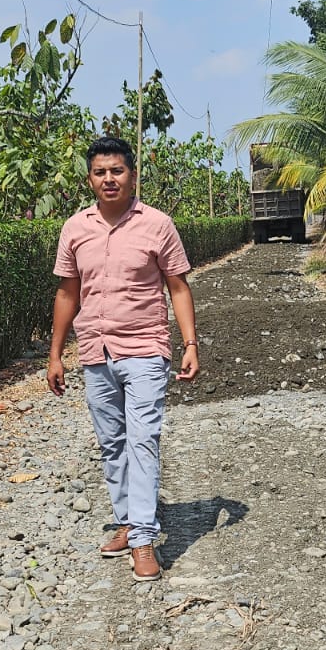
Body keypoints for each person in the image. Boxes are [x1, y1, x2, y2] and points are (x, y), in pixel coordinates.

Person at [47, 136, 199, 581]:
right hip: (95, 350)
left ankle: (143, 540)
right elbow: (67, 293)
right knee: (112, 442)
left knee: (142, 440)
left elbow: (178, 287)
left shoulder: (157, 225)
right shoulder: (75, 228)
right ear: (89, 179)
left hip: (145, 349)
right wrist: (55, 354)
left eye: (117, 171)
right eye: (100, 172)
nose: (109, 179)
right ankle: (128, 521)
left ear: (132, 176)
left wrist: (190, 344)